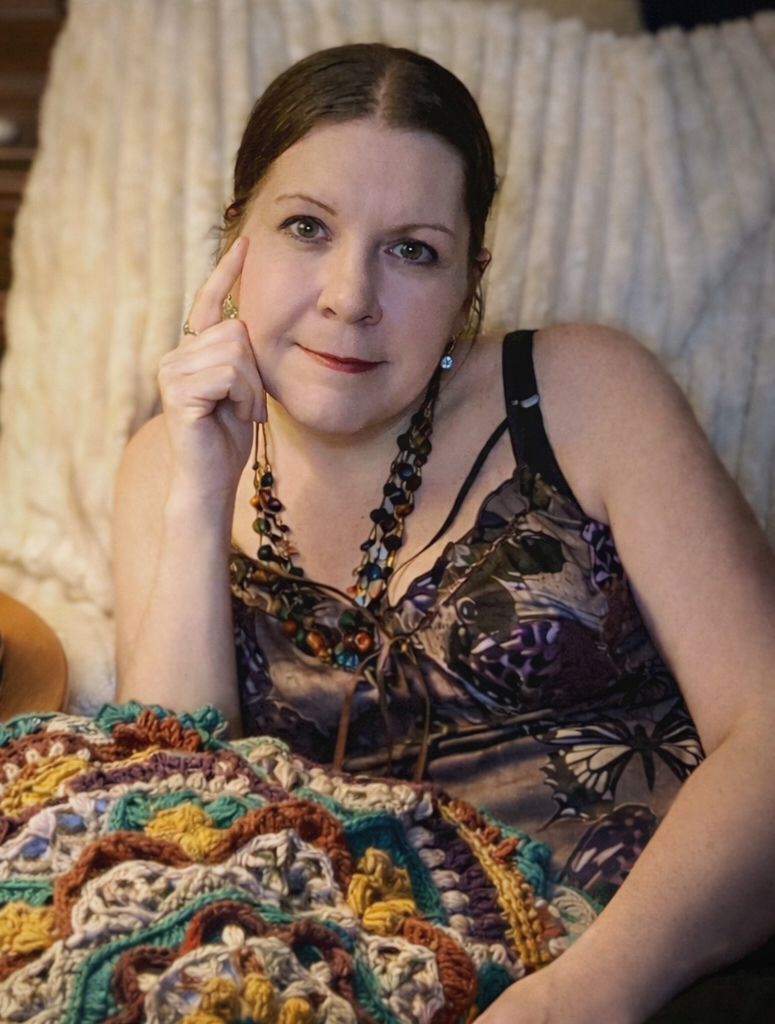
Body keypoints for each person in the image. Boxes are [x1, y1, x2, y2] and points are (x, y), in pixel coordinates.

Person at [112, 43, 775, 1024]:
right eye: (305, 226)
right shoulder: (169, 460)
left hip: (666, 960)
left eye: (411, 248)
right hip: (360, 984)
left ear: (470, 279)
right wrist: (200, 486)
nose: (349, 294)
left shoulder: (587, 393)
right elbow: (174, 806)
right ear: (234, 241)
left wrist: (587, 994)